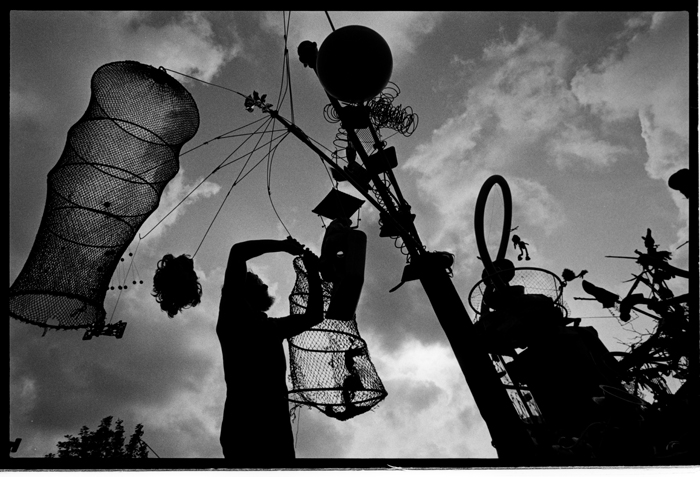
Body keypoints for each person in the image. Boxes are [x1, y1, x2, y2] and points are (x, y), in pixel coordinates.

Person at [217, 237, 324, 462]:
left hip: (277, 435)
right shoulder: (232, 315)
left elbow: (314, 316)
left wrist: (313, 272)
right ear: (241, 291)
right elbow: (238, 251)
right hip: (245, 433)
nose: (265, 286)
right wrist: (283, 246)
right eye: (258, 283)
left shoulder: (273, 327)